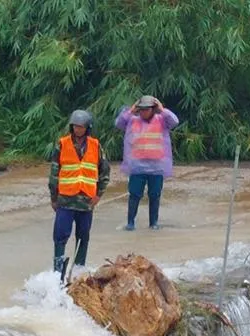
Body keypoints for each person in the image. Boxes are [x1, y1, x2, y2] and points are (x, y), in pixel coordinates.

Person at [49, 109, 110, 276]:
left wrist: (98, 195)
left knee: (83, 236)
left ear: (87, 128)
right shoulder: (62, 144)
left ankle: (78, 271)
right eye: (75, 126)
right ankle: (58, 273)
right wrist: (54, 197)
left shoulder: (96, 145)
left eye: (81, 127)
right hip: (65, 200)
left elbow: (105, 172)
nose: (78, 130)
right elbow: (54, 173)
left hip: (86, 201)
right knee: (60, 236)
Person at [115, 95, 180, 231]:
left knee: (155, 195)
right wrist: (131, 110)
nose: (144, 112)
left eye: (147, 109)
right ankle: (130, 223)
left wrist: (162, 109)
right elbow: (119, 123)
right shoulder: (132, 120)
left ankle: (153, 223)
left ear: (153, 109)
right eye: (142, 109)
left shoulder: (162, 120)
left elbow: (174, 121)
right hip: (137, 166)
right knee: (134, 195)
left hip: (156, 167)